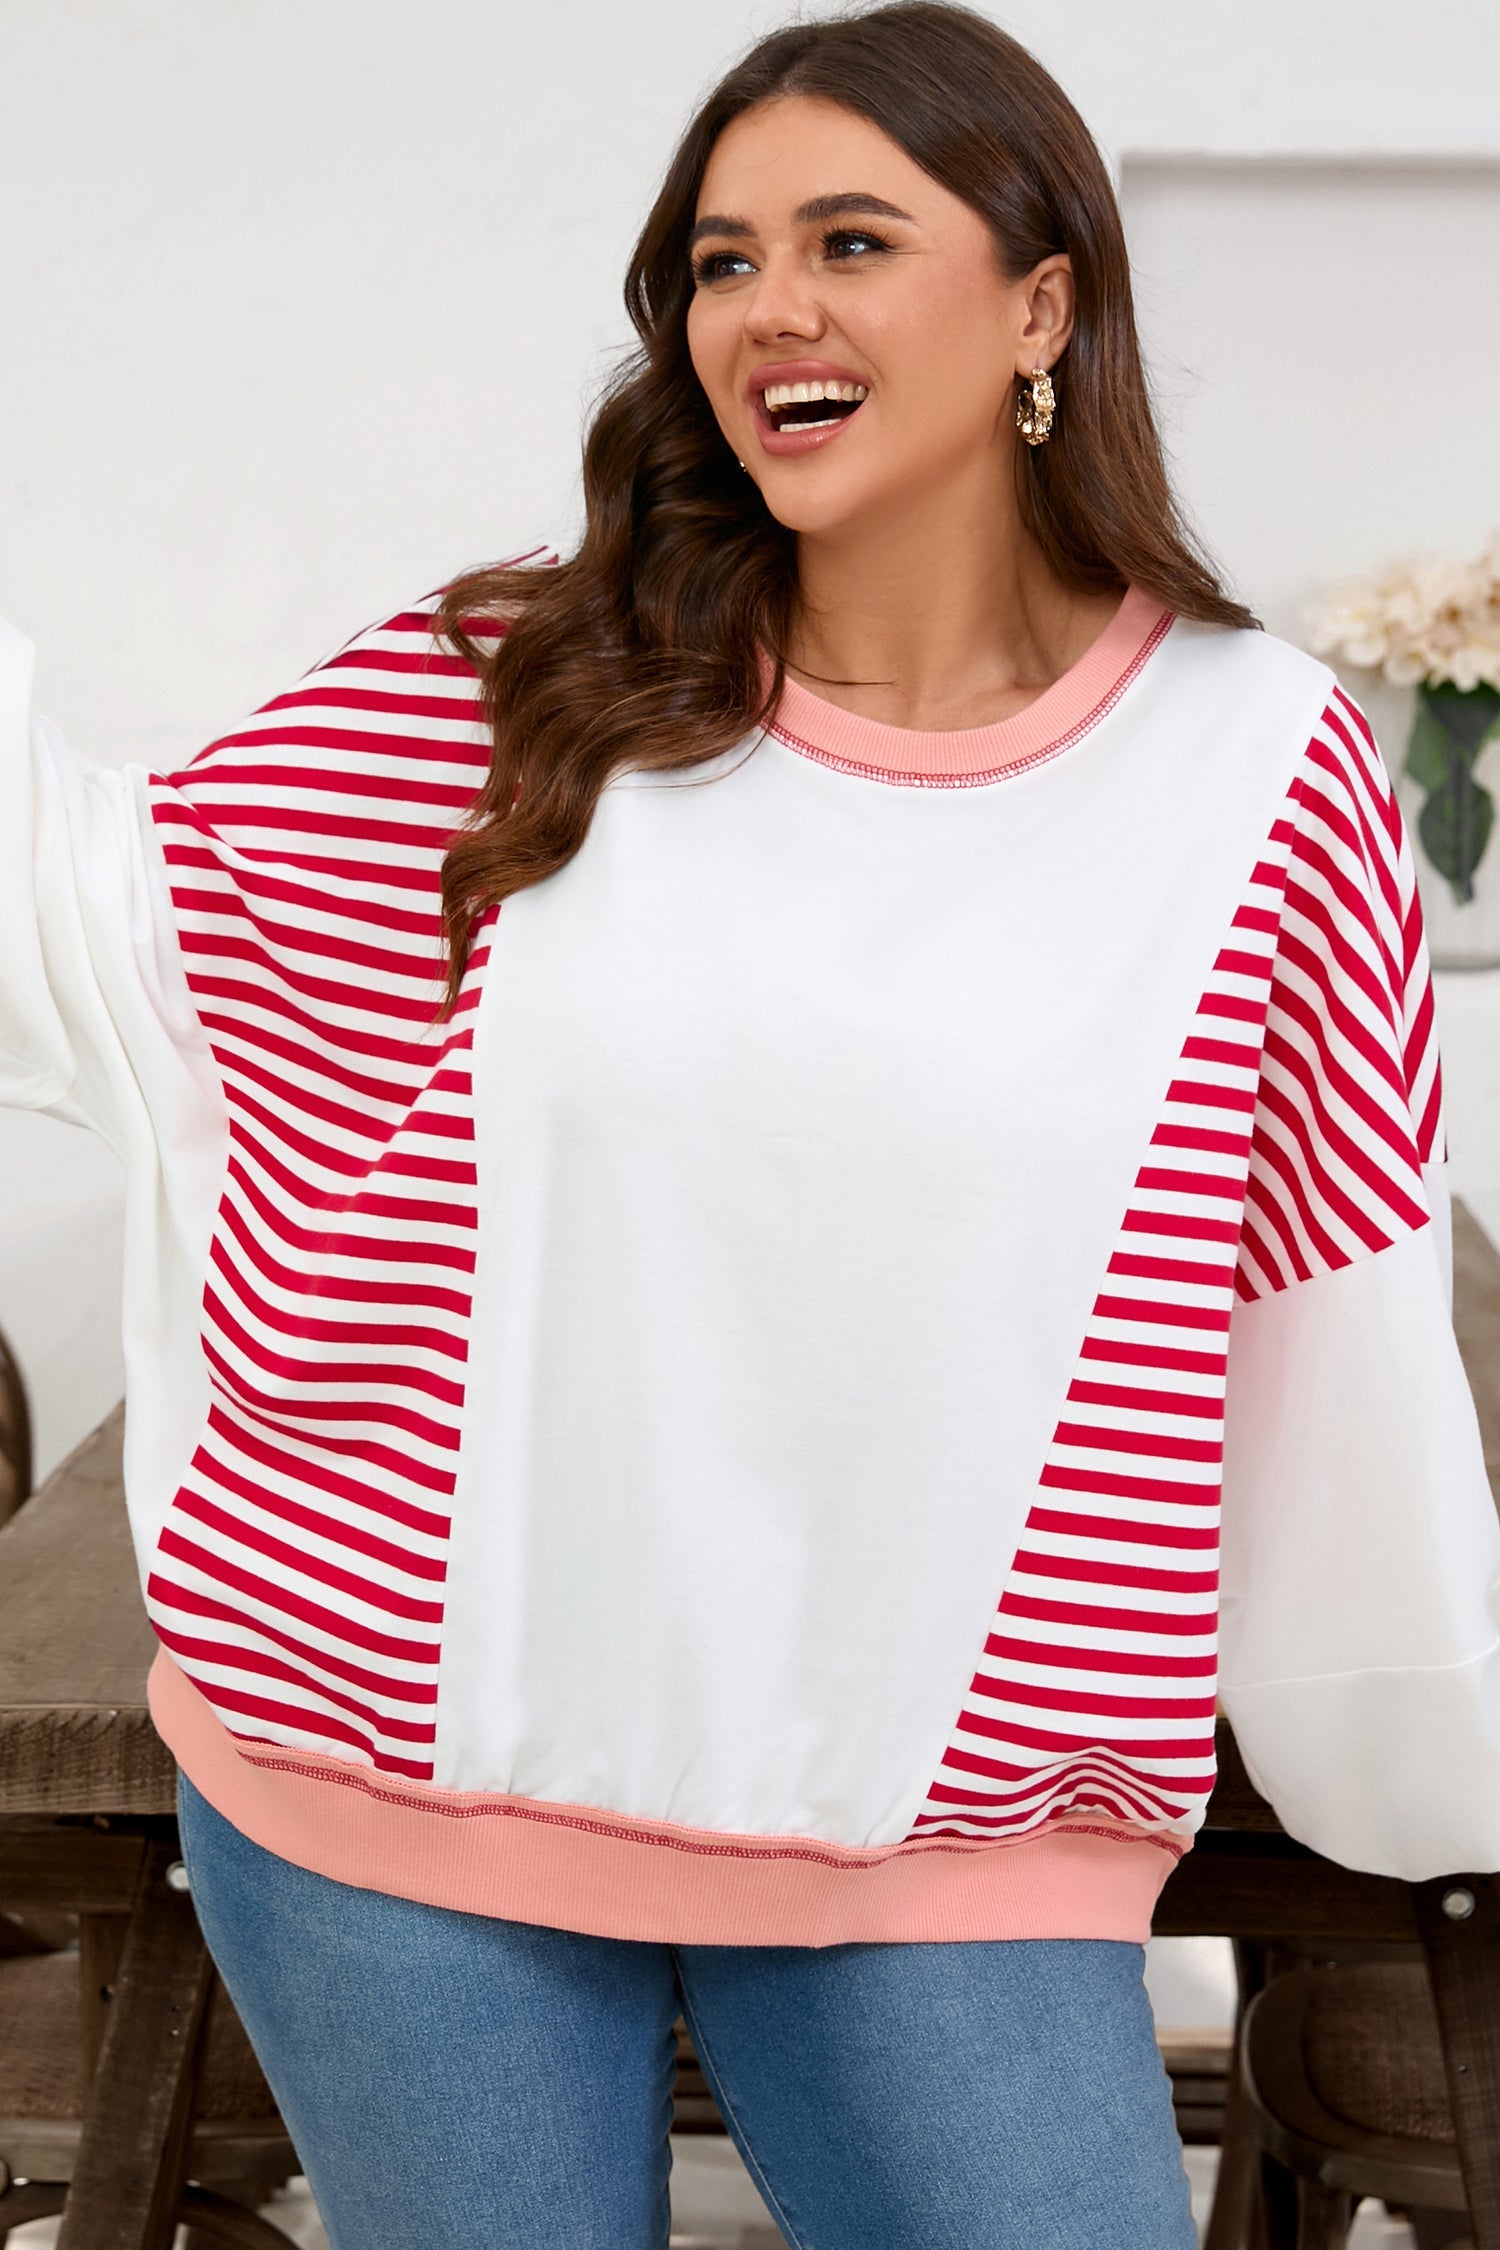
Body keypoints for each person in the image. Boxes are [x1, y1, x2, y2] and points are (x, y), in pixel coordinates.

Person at [3, 4, 1497, 2243]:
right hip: (401, 1773)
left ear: (1043, 303)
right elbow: (93, 930)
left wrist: (1418, 1756)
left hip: (952, 1820)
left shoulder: (1257, 769)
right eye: (722, 260)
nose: (768, 306)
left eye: (849, 240)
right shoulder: (513, 692)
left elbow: (1331, 1287)